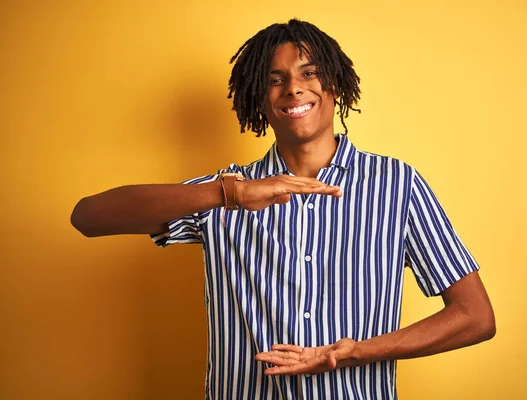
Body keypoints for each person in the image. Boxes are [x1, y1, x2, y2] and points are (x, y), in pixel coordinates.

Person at [71, 18, 495, 399]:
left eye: (309, 73)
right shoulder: (228, 190)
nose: (293, 87)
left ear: (335, 85)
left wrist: (356, 353)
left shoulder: (397, 185)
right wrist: (229, 194)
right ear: (259, 99)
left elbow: (474, 316)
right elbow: (88, 217)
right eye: (276, 79)